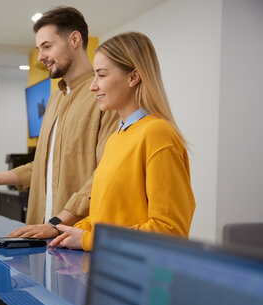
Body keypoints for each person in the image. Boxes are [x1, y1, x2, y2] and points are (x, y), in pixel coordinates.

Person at [0, 7, 119, 238]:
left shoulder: (103, 96)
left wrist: (58, 222)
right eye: (39, 49)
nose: (40, 57)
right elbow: (42, 165)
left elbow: (104, 175)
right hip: (41, 231)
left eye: (47, 46)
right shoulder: (56, 97)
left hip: (76, 236)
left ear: (75, 39)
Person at [49, 32, 196, 250]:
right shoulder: (116, 138)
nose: (93, 86)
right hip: (107, 271)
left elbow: (170, 231)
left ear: (133, 77)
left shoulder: (158, 134)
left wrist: (90, 239)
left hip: (141, 278)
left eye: (101, 75)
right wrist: (70, 230)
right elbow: (106, 217)